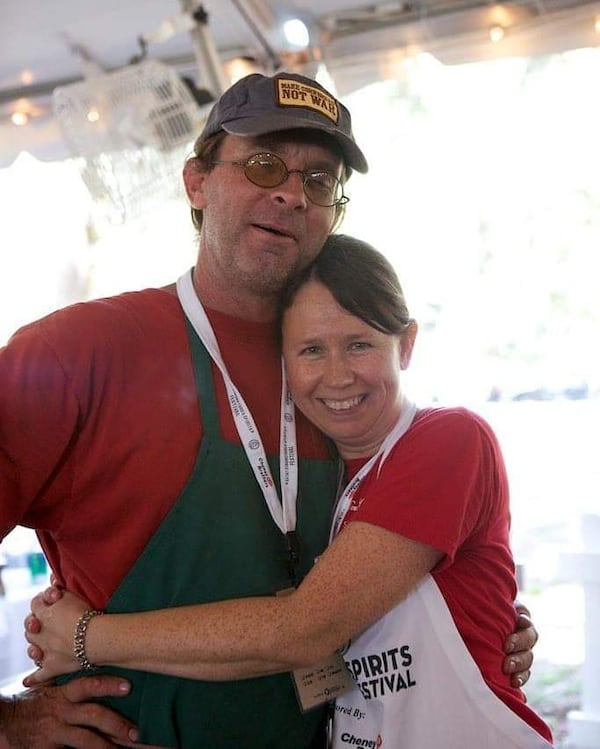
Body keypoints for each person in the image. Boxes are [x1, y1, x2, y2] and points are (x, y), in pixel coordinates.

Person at [1, 72, 536, 748]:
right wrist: (10, 721)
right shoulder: (74, 350)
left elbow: (365, 583)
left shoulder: (335, 389)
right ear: (197, 181)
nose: (290, 191)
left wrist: (484, 620)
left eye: (319, 180)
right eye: (263, 164)